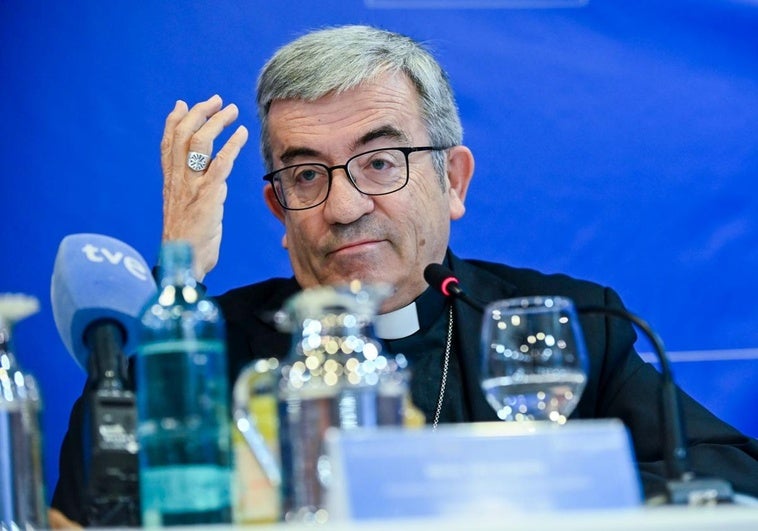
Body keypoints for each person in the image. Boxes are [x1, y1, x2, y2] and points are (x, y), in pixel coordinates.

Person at [51, 24, 758, 525]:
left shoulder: (561, 326)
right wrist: (181, 272)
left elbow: (732, 475)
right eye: (306, 174)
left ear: (453, 179)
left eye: (380, 162)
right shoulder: (213, 345)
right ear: (277, 206)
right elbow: (89, 510)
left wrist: (528, 492)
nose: (346, 205)